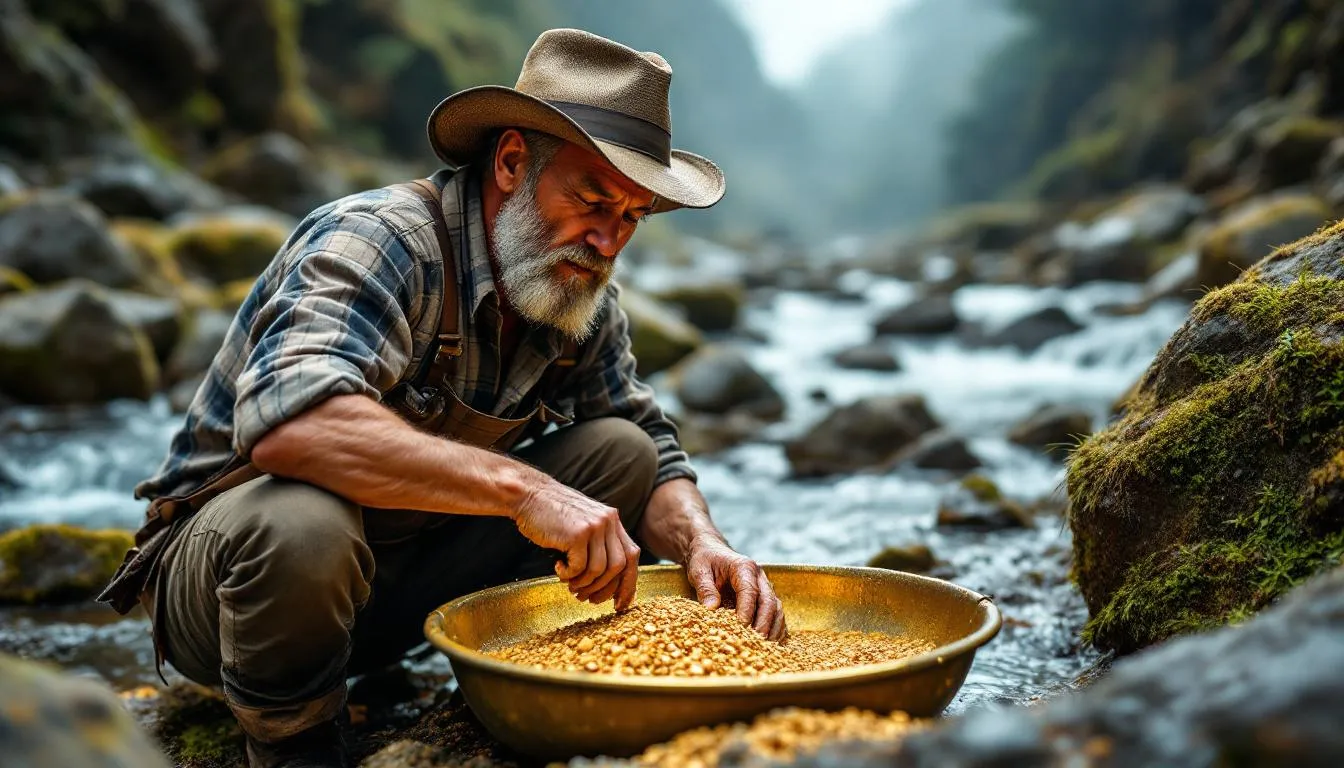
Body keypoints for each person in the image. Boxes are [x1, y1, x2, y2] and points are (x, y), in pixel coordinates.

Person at [98, 27, 785, 768]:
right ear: (514, 161)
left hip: (393, 587)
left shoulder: (576, 292)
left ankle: (498, 681)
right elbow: (292, 425)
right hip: (235, 594)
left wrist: (702, 544)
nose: (609, 241)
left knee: (622, 452)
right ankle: (296, 740)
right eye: (592, 199)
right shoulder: (377, 239)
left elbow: (648, 437)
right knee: (301, 522)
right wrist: (525, 491)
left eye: (631, 216)